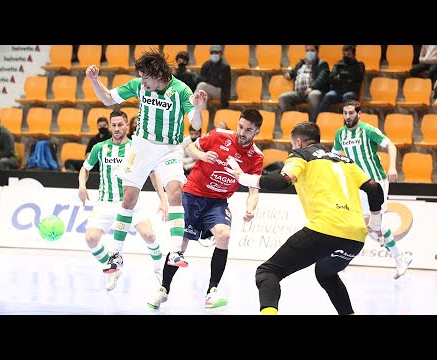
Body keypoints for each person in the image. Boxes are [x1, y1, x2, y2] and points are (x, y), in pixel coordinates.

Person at [227, 121, 385, 315]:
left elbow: (283, 181)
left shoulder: (302, 155)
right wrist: (376, 223)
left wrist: (243, 178)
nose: (293, 147)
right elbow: (374, 189)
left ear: (299, 142)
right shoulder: (345, 161)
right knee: (326, 274)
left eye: (293, 144)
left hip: (325, 228)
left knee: (268, 272)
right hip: (356, 236)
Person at [85, 49, 208, 274]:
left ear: (159, 74)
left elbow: (196, 125)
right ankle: (116, 254)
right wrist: (94, 80)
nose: (142, 81)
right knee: (129, 197)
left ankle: (175, 251)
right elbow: (107, 99)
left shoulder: (181, 90)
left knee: (175, 191)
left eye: (145, 77)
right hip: (141, 145)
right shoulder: (139, 86)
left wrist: (198, 109)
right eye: (140, 76)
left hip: (169, 148)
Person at [147, 107, 264, 310]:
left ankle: (212, 291)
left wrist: (250, 209)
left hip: (218, 201)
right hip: (193, 194)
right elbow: (190, 148)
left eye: (248, 130)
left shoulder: (256, 156)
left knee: (224, 235)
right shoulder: (219, 136)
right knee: (180, 245)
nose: (242, 133)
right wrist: (201, 156)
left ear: (256, 132)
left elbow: (254, 189)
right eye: (240, 127)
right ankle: (163, 289)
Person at [78, 110, 168, 290]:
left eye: (120, 125)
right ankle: (113, 268)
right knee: (90, 239)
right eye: (114, 125)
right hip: (105, 202)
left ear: (127, 126)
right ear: (110, 126)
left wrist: (163, 199)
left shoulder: (137, 147)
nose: (117, 128)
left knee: (149, 235)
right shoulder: (100, 147)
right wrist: (82, 186)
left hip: (131, 202)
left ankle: (160, 269)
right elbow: (84, 169)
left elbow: (153, 174)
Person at [331, 100, 413, 279]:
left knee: (374, 225)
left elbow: (391, 146)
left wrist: (392, 167)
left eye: (351, 113)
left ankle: (399, 258)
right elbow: (334, 158)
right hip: (358, 184)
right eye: (345, 113)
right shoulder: (340, 134)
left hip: (376, 183)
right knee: (366, 226)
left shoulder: (368, 130)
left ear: (359, 114)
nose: (347, 116)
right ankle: (396, 254)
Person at [279, 45, 330, 123]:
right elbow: (293, 71)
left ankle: (311, 123)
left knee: (314, 95)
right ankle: (297, 121)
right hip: (299, 93)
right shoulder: (301, 63)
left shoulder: (322, 64)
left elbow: (322, 77)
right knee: (282, 98)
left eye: (312, 50)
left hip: (313, 91)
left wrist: (311, 87)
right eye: (307, 50)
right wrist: (289, 74)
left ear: (317, 52)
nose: (309, 52)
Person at [318, 45, 365, 114]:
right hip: (337, 91)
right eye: (344, 54)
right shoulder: (338, 64)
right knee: (328, 95)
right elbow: (331, 78)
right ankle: (320, 120)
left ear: (354, 55)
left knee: (347, 96)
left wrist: (340, 77)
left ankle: (348, 122)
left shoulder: (359, 65)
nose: (346, 56)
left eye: (349, 54)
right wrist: (348, 79)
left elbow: (358, 77)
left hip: (351, 91)